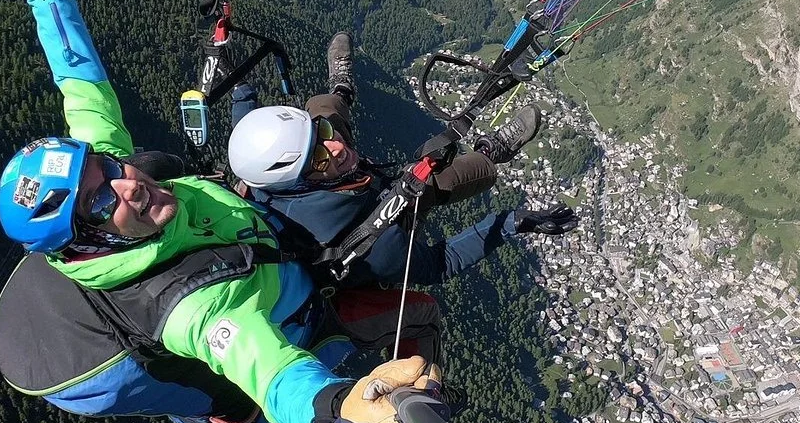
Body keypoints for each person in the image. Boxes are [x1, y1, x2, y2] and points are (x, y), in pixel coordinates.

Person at [0, 0, 442, 423]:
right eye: (102, 204)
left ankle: (341, 94)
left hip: (258, 243)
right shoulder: (193, 309)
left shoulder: (108, 174)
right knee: (418, 308)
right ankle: (427, 400)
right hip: (305, 315)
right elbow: (275, 377)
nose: (129, 184)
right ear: (87, 245)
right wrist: (349, 419)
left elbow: (80, 83)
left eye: (106, 166)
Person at [228, 31, 580, 289]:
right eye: (319, 157)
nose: (335, 146)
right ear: (299, 184)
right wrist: (508, 223)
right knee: (438, 182)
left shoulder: (263, 175)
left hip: (341, 192)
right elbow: (441, 263)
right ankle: (492, 152)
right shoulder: (376, 249)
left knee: (322, 112)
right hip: (377, 218)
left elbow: (249, 135)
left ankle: (341, 89)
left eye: (322, 136)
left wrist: (240, 90)